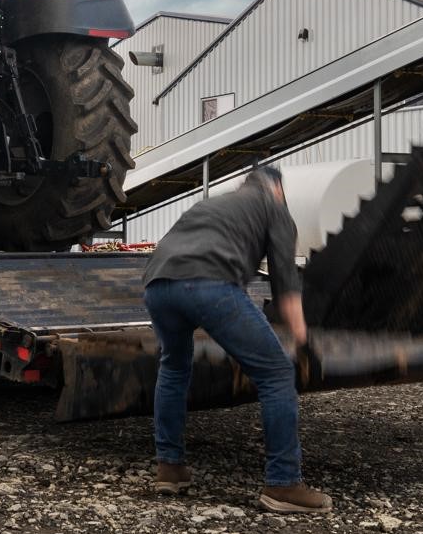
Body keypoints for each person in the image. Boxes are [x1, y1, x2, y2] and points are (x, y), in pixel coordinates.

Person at [141, 165, 331, 514]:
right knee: (275, 373)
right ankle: (283, 483)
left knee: (174, 366)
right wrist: (304, 341)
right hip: (208, 282)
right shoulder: (275, 209)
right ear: (277, 190)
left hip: (157, 283)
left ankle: (170, 467)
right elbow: (286, 285)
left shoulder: (210, 204)